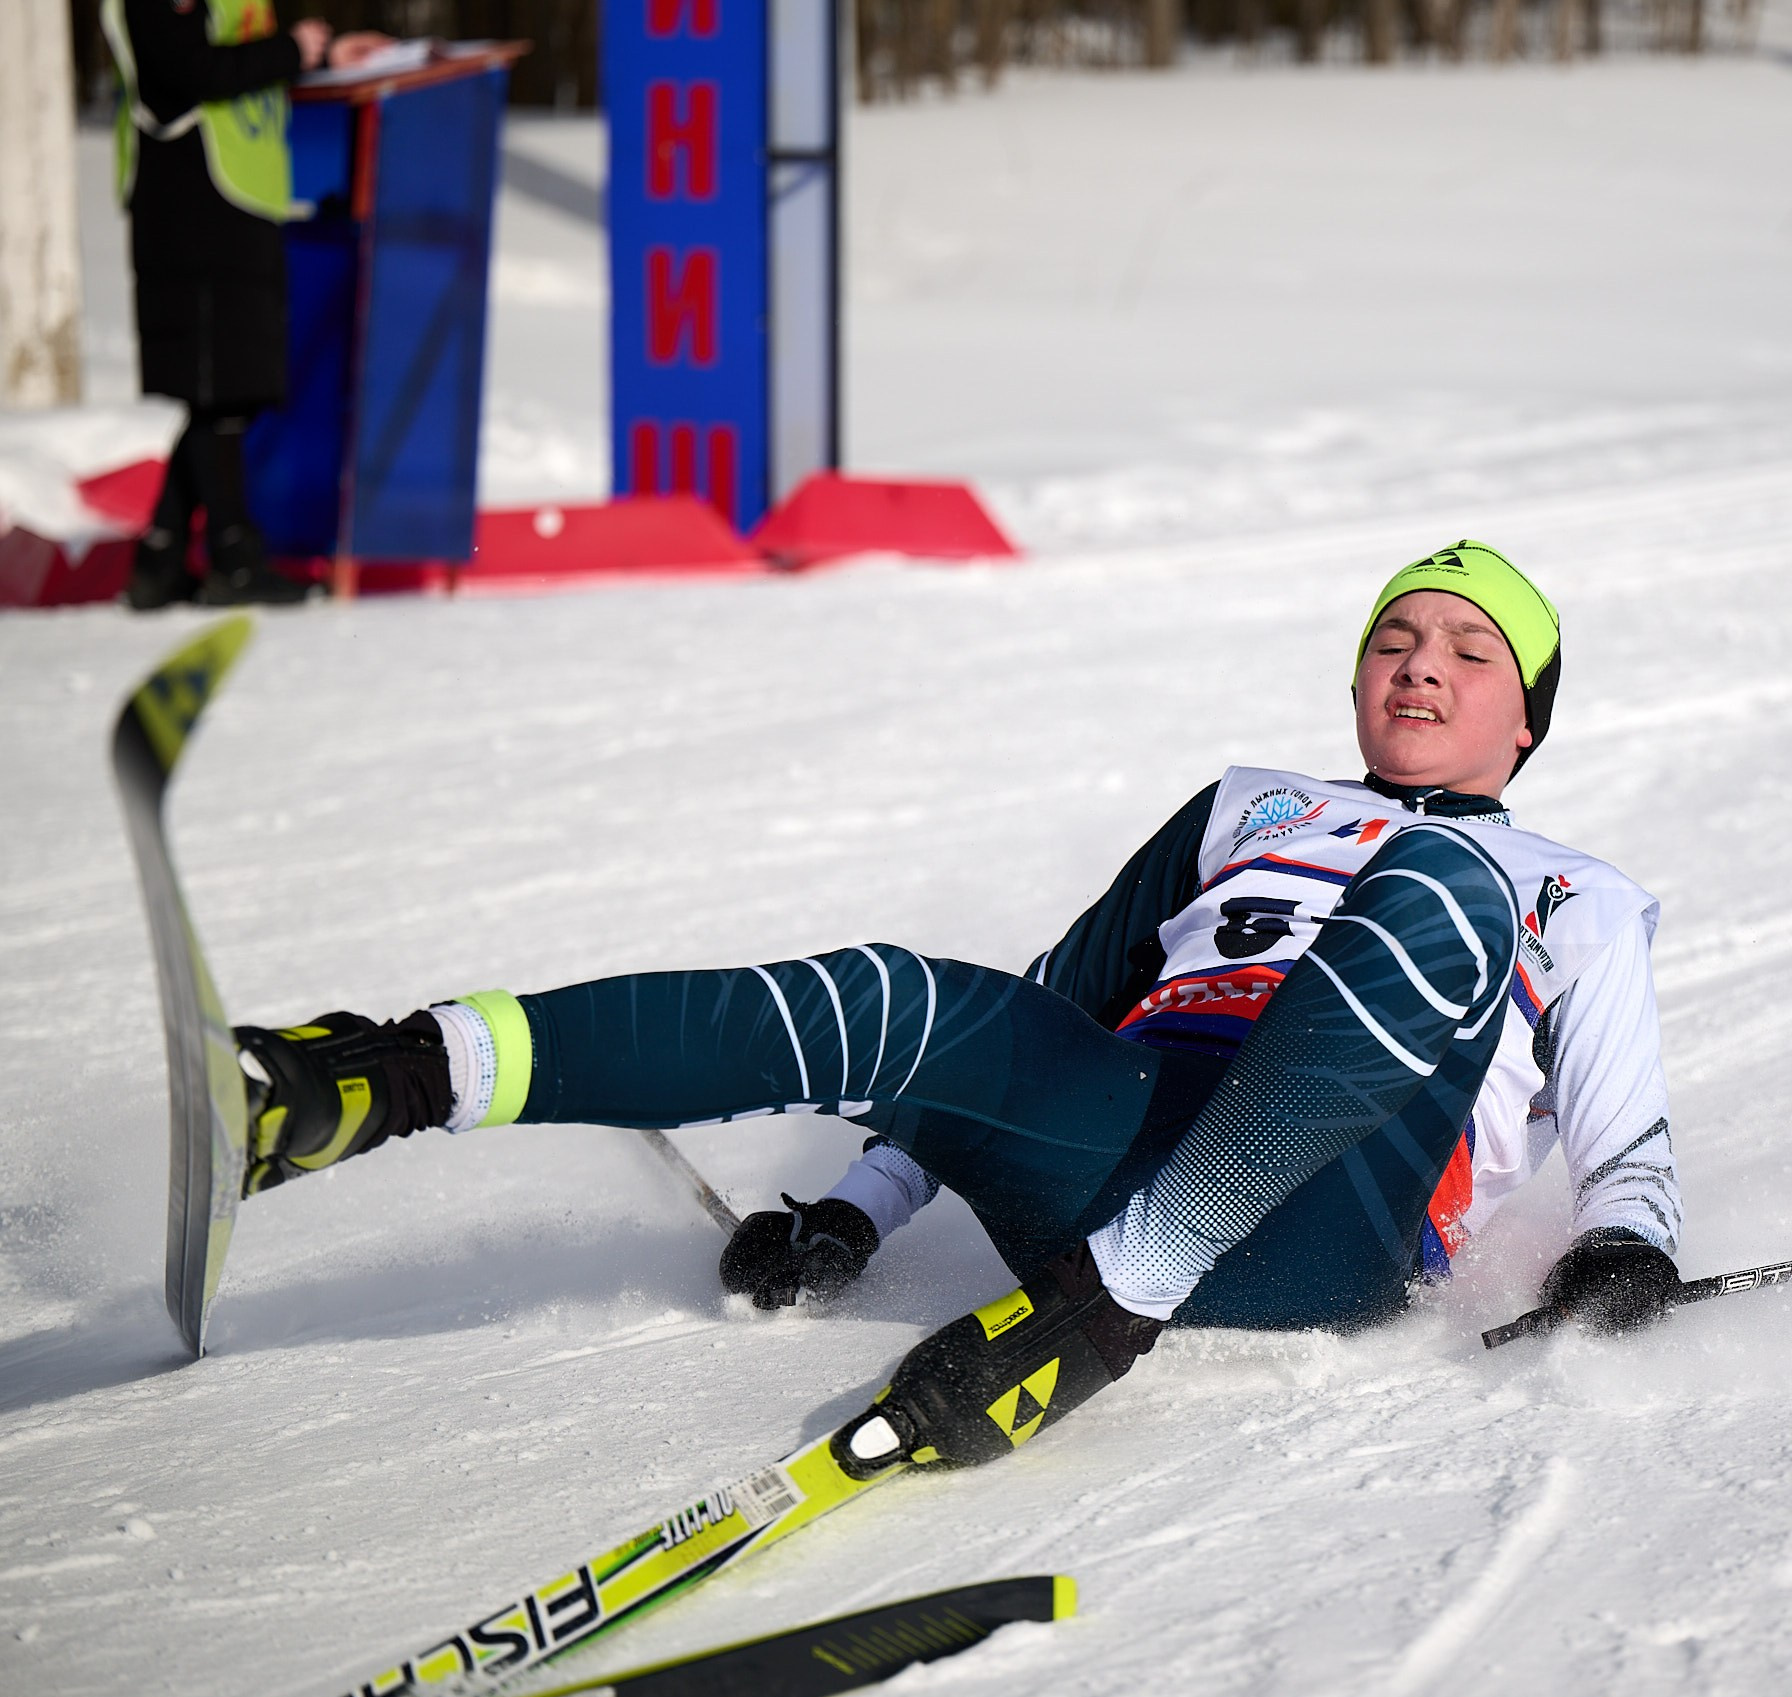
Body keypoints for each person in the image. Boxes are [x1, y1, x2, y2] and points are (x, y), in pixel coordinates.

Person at [228, 542, 1686, 1472]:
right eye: (1393, 638)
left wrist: (1626, 1248)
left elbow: (1627, 1150)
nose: (1419, 660)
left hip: (1330, 1201)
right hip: (1122, 1149)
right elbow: (1051, 1002)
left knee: (1442, 886)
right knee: (911, 995)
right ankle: (379, 1076)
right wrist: (857, 1212)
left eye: (1466, 647)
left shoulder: (1570, 887)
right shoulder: (1252, 803)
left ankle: (1116, 1297)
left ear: (1526, 721)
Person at [103, 0, 388, 609]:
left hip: (237, 197)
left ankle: (163, 554)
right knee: (219, 382)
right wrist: (288, 51)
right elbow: (177, 69)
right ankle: (234, 556)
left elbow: (231, 66)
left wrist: (322, 59)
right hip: (192, 199)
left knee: (233, 383)